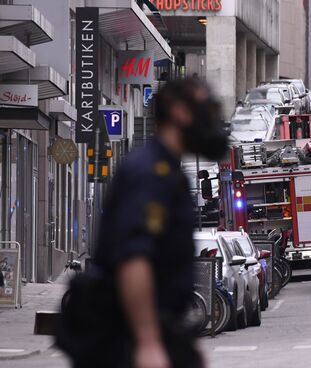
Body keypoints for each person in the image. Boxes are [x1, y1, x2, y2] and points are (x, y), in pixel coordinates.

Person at [69, 78, 229, 368]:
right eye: (205, 111)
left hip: (150, 331)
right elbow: (134, 258)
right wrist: (148, 342)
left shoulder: (165, 170)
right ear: (180, 112)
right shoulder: (151, 173)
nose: (212, 122)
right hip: (125, 340)